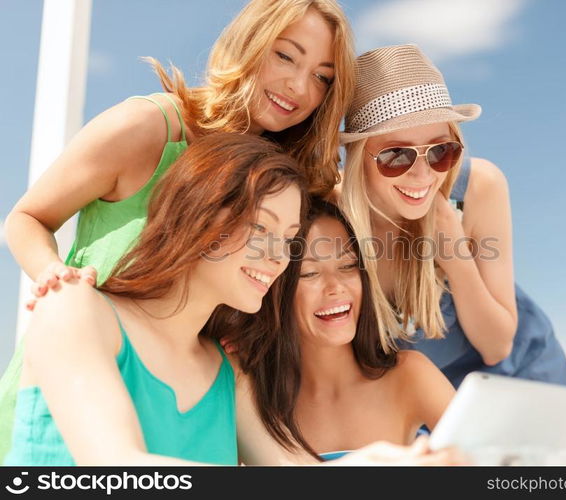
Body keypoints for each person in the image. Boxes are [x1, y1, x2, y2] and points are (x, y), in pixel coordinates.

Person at [0, 0, 355, 457]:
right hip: (84, 379)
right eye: (285, 55)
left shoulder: (286, 180)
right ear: (249, 44)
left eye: (323, 77)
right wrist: (56, 278)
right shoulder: (147, 126)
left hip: (188, 396)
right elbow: (27, 218)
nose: (298, 86)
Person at [4, 133, 461, 466]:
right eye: (261, 228)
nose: (277, 257)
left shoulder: (229, 373)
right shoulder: (75, 309)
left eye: (286, 238)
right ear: (201, 217)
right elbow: (119, 469)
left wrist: (381, 464)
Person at [339, 44, 566, 391]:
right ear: (358, 157)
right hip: (414, 401)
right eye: (396, 156)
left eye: (440, 151)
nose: (422, 176)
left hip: (522, 378)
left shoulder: (478, 187)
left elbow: (497, 348)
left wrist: (455, 257)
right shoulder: (329, 216)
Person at [220, 199, 455, 460]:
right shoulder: (253, 390)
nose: (335, 287)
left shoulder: (409, 374)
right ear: (276, 290)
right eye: (309, 273)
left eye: (347, 266)